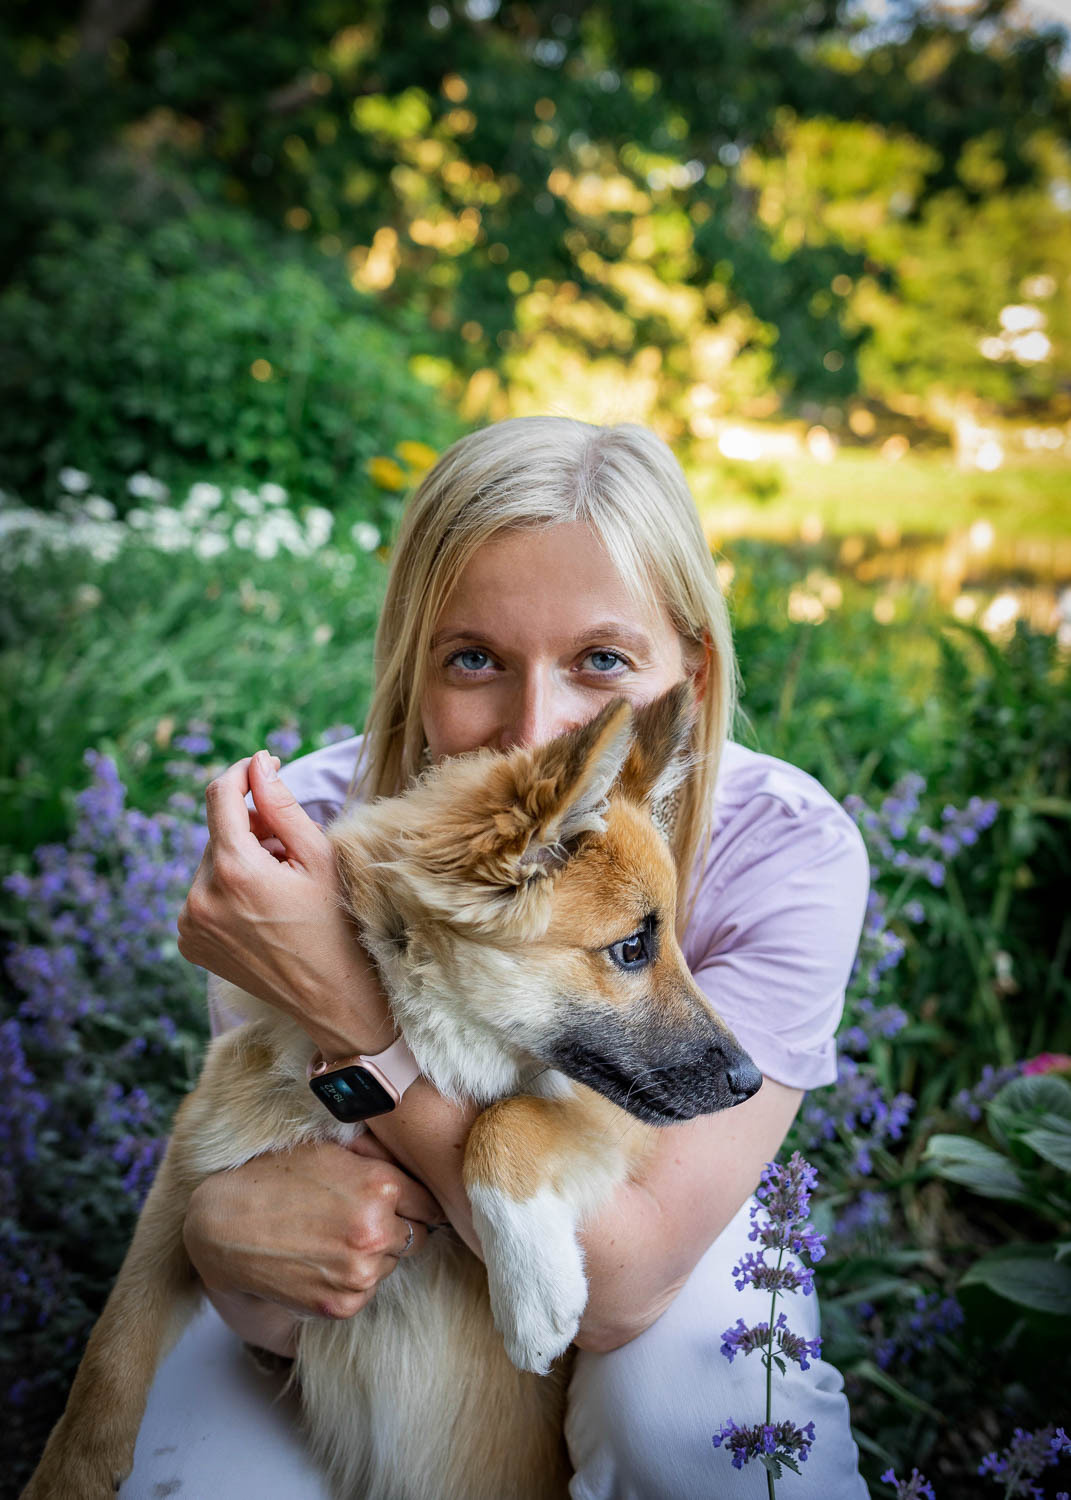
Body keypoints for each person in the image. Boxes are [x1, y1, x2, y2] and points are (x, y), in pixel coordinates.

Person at [125, 417, 871, 1498]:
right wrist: (219, 1246)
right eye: (474, 659)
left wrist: (349, 1010)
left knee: (688, 1411)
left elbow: (629, 1281)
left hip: (648, 1239)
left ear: (691, 678)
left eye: (602, 660)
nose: (534, 729)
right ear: (412, 671)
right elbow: (290, 1238)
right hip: (389, 1299)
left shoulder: (785, 849)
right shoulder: (315, 832)